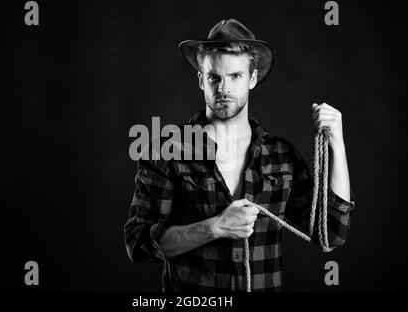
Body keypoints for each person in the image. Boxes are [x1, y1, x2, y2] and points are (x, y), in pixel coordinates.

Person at [124, 19, 355, 291]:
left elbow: (332, 233)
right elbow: (137, 244)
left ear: (252, 79)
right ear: (201, 80)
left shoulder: (281, 156)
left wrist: (337, 145)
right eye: (214, 77)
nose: (224, 89)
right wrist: (215, 227)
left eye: (235, 76)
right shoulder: (166, 150)